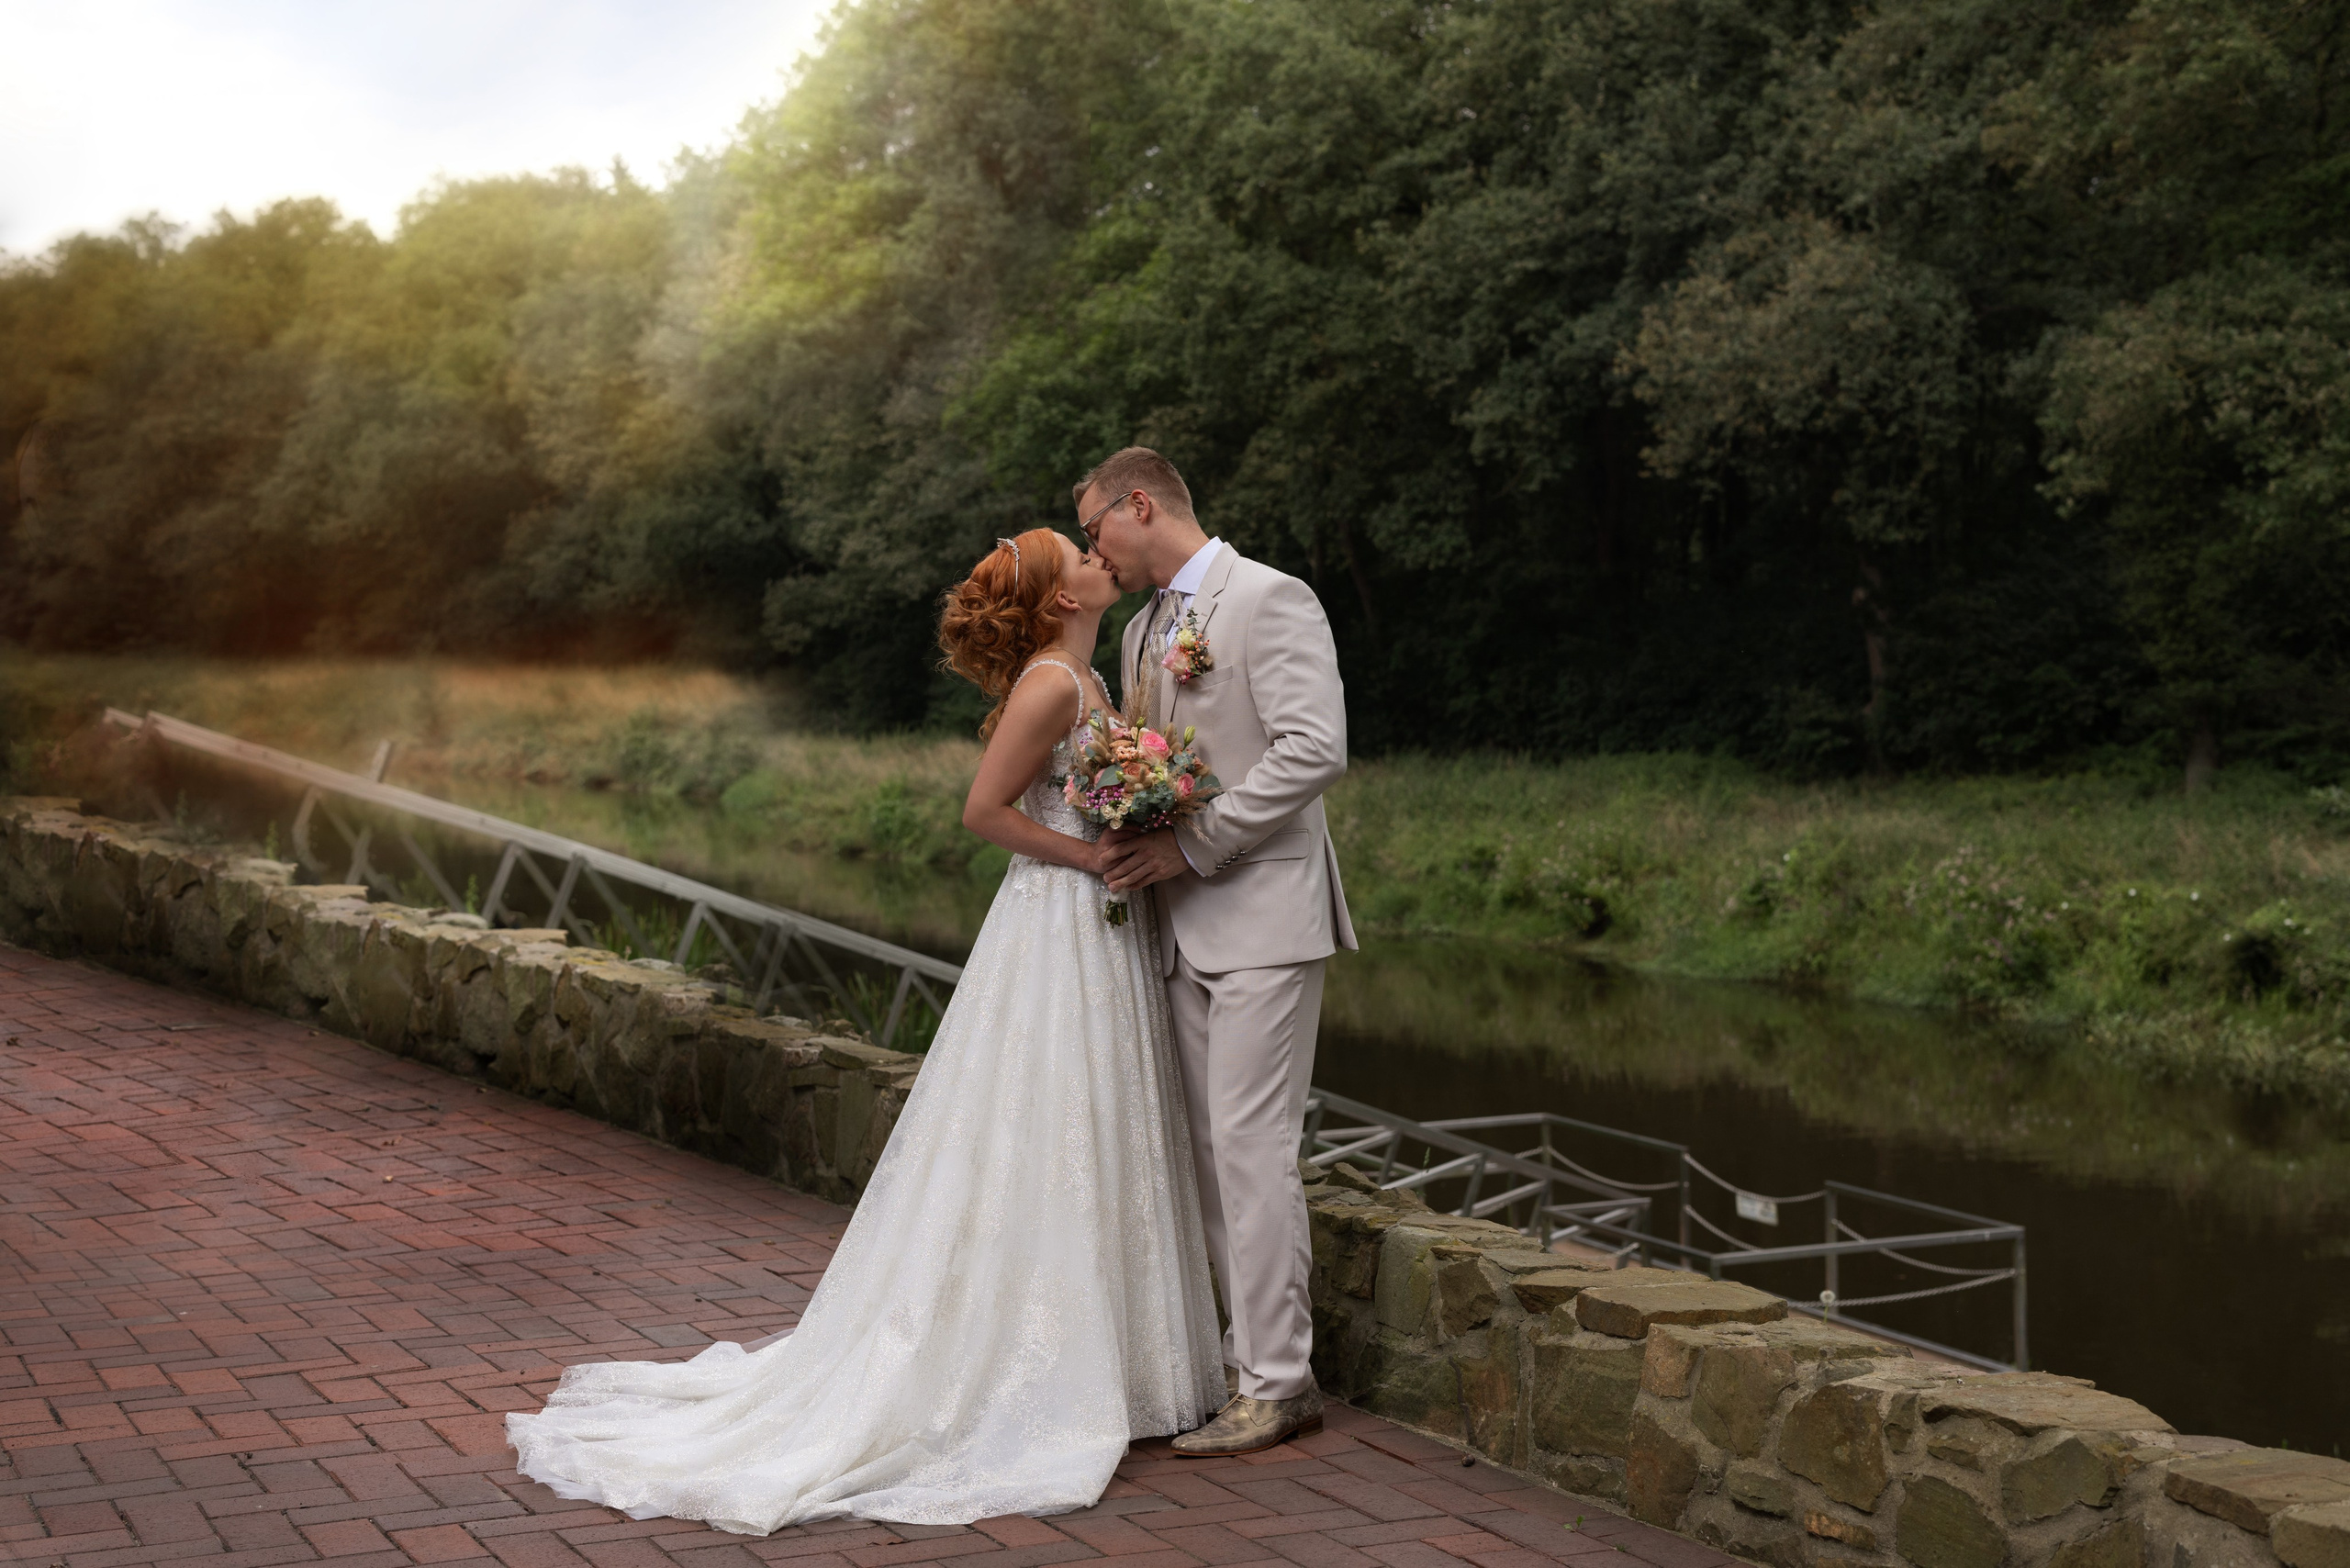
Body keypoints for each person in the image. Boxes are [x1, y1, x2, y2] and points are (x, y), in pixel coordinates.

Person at [506, 528, 1223, 1533]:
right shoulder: (1051, 687)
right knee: (1044, 1117)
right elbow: (984, 811)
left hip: (1092, 925)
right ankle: (1025, 1366)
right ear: (1063, 597)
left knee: (1087, 1120)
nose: (1099, 556)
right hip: (1058, 921)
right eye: (1080, 554)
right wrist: (1088, 855)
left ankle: (1109, 1358)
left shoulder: (1082, 672)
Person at [1080, 447, 1357, 1458]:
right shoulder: (1146, 627)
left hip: (1263, 917)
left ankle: (1281, 1384)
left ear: (1138, 505)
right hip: (1179, 923)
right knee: (1206, 1156)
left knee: (1250, 1151)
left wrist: (1191, 843)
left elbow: (1312, 748)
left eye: (1095, 528)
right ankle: (1246, 1368)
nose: (1091, 549)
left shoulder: (1271, 598)